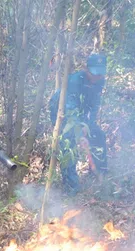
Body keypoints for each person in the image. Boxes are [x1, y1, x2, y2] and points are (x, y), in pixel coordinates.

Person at [49, 54, 108, 196]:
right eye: (94, 72)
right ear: (87, 69)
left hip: (81, 112)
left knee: (98, 135)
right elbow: (70, 108)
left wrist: (89, 125)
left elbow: (94, 105)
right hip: (62, 112)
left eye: (100, 72)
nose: (97, 76)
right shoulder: (75, 81)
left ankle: (100, 172)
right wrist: (80, 134)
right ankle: (71, 187)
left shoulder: (100, 81)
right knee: (68, 144)